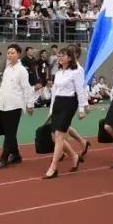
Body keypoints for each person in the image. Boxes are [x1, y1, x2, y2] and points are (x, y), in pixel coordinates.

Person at [43, 45, 88, 179]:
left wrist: (81, 109)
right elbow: (54, 92)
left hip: (69, 104)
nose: (59, 57)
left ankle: (53, 167)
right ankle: (74, 156)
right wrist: (51, 110)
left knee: (59, 136)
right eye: (59, 55)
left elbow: (80, 90)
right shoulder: (58, 73)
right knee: (54, 135)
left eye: (62, 55)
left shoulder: (76, 71)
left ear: (69, 58)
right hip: (58, 104)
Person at [0, 43, 35, 169]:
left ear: (18, 54)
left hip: (15, 105)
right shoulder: (7, 68)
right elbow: (3, 86)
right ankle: (16, 155)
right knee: (8, 132)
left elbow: (26, 88)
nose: (10, 55)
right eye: (8, 53)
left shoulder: (22, 70)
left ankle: (4, 158)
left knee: (10, 133)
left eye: (13, 53)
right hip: (3, 104)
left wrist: (30, 104)